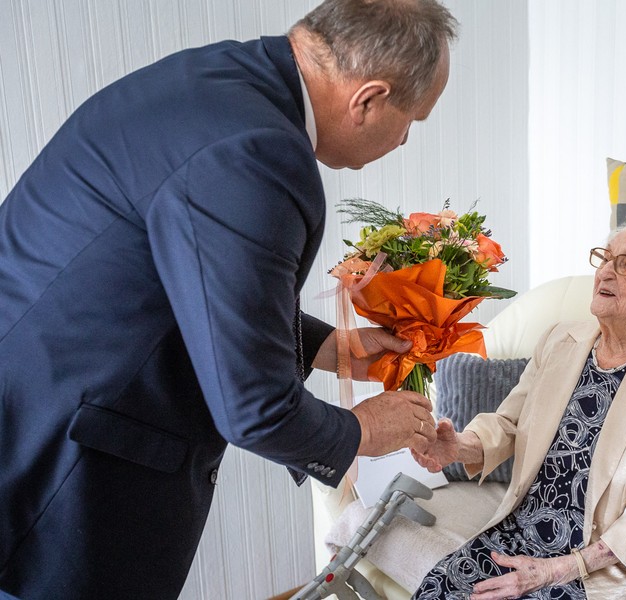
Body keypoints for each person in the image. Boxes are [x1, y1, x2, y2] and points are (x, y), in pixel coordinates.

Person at [0, 1, 457, 598]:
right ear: (368, 98)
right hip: (65, 465)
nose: (402, 142)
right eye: (412, 121)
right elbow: (256, 410)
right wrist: (360, 431)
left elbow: (197, 279)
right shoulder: (259, 152)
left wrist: (332, 347)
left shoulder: (214, 80)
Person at [411, 206, 626, 599]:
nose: (605, 272)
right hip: (517, 533)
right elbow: (509, 424)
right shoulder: (560, 340)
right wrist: (458, 446)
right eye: (605, 258)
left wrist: (558, 569)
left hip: (591, 567)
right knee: (439, 588)